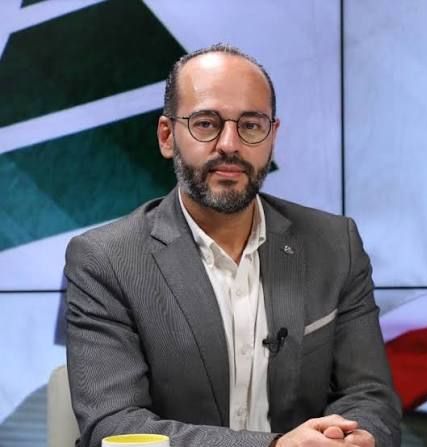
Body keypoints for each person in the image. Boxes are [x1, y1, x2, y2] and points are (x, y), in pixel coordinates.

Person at [65, 44, 401, 447]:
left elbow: (371, 397)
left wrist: (350, 438)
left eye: (251, 125)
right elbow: (114, 425)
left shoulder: (335, 245)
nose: (230, 144)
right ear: (167, 136)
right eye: (206, 124)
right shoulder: (106, 259)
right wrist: (273, 446)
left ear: (272, 136)